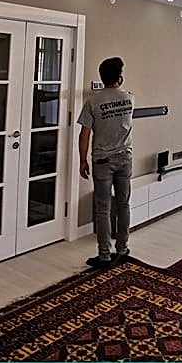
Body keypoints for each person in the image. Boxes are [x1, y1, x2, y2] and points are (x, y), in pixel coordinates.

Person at [77, 57, 134, 268]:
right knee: (123, 204)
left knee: (103, 208)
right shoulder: (129, 98)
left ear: (102, 78)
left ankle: (104, 255)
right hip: (125, 158)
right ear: (119, 77)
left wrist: (82, 160)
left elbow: (84, 134)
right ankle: (123, 249)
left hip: (102, 160)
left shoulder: (93, 102)